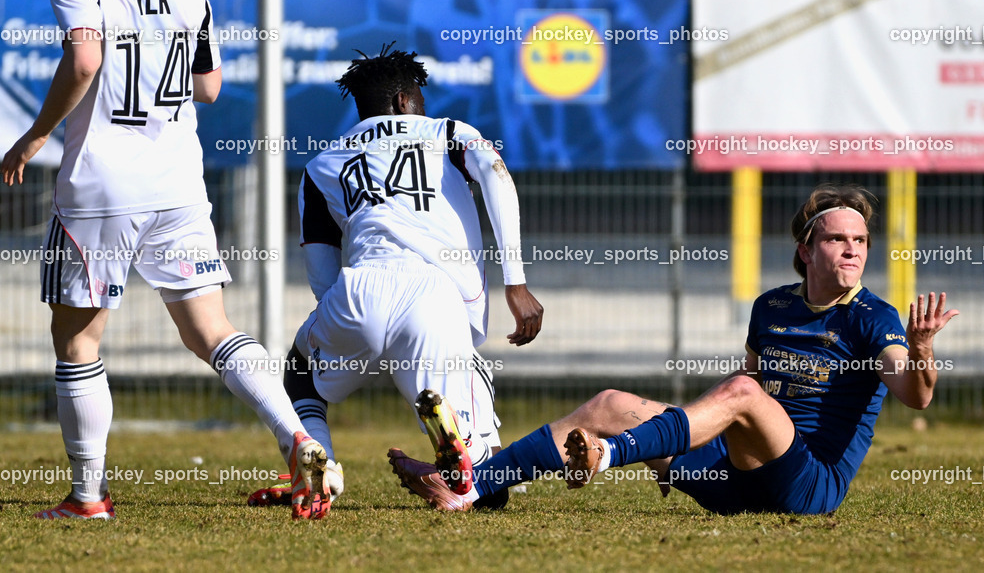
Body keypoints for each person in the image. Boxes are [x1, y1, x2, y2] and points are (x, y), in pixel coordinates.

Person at [0, 0, 327, 521]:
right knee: (211, 331)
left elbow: (86, 57)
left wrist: (39, 132)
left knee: (78, 341)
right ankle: (298, 438)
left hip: (102, 186)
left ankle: (88, 499)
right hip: (177, 182)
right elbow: (209, 87)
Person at [390, 184, 957, 514]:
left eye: (860, 241)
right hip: (733, 478)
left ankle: (609, 457)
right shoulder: (772, 307)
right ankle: (468, 486)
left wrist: (924, 349)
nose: (852, 250)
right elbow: (743, 393)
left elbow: (916, 396)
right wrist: (680, 440)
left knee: (741, 392)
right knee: (609, 402)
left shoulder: (874, 316)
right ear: (806, 250)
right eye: (837, 238)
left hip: (806, 487)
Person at [247, 44, 543, 513]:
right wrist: (516, 282)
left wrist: (354, 335)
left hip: (358, 292)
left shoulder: (322, 164)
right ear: (406, 101)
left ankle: (315, 462)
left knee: (300, 373)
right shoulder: (446, 132)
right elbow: (495, 174)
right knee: (489, 486)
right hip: (435, 299)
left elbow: (321, 270)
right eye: (420, 97)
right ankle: (463, 453)